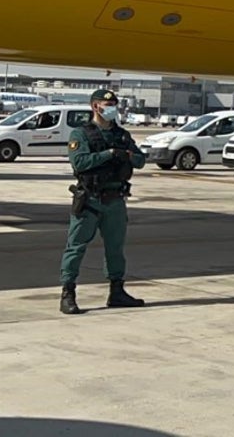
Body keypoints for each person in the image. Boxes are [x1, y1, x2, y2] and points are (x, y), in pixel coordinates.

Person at [59, 88, 147, 315]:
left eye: (114, 105)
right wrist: (108, 154)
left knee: (115, 249)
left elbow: (140, 160)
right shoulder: (81, 134)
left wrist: (125, 154)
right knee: (76, 247)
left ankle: (117, 291)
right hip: (89, 199)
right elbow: (80, 162)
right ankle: (68, 293)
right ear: (95, 107)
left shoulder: (122, 135)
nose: (111, 109)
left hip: (115, 200)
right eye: (107, 105)